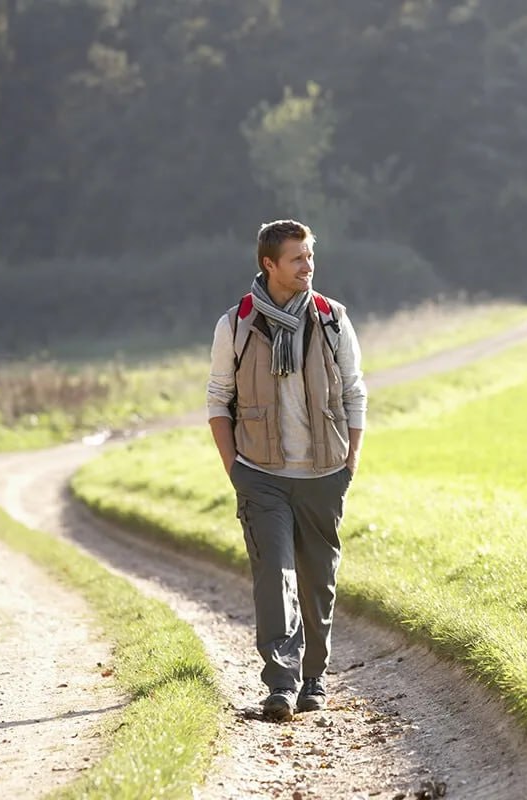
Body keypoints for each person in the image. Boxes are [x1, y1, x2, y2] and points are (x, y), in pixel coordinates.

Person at [206, 219, 367, 722]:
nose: (308, 266)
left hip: (323, 474)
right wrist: (236, 469)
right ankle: (280, 682)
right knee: (274, 577)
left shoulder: (332, 318)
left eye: (310, 256)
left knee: (318, 581)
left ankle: (314, 679)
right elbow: (218, 400)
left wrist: (352, 458)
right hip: (262, 475)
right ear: (269, 264)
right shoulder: (235, 324)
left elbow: (354, 392)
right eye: (297, 258)